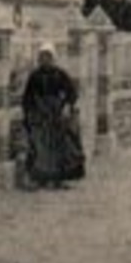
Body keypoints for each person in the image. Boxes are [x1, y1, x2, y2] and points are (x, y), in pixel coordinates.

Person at [20, 43, 84, 189]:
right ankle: (41, 177)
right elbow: (27, 97)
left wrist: (66, 106)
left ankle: (58, 179)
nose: (45, 60)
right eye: (42, 57)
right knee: (41, 147)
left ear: (53, 58)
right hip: (40, 115)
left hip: (57, 115)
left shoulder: (60, 74)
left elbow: (72, 93)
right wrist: (29, 113)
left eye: (48, 57)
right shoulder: (34, 76)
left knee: (59, 147)